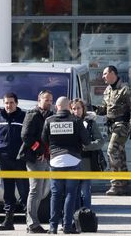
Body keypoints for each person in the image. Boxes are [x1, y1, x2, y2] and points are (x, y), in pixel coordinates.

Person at [42, 96, 91, 234]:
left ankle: (52, 228)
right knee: (71, 194)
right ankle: (68, 227)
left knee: (56, 195)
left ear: (57, 107)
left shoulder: (49, 121)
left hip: (55, 161)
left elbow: (44, 140)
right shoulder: (76, 121)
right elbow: (86, 141)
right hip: (73, 160)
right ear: (69, 106)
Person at [93, 65, 131, 196]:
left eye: (105, 73)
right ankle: (125, 185)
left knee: (112, 150)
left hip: (122, 125)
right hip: (112, 126)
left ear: (113, 73)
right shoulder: (108, 90)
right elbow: (105, 108)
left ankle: (116, 184)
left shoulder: (125, 89)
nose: (103, 77)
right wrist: (94, 108)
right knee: (120, 155)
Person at [0, 92, 28, 231]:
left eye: (11, 102)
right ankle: (8, 221)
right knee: (8, 192)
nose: (9, 105)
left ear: (16, 103)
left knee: (24, 192)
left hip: (20, 160)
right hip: (4, 160)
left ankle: (31, 222)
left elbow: (30, 137)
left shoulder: (24, 117)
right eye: (6, 103)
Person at [18, 90, 54, 234]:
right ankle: (32, 224)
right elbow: (25, 136)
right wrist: (39, 151)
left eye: (51, 100)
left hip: (47, 158)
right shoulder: (32, 114)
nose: (49, 102)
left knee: (42, 192)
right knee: (35, 191)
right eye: (46, 100)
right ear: (39, 100)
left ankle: (33, 222)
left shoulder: (51, 116)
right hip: (35, 158)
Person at [70, 98, 105, 209]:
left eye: (78, 108)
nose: (76, 111)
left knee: (85, 190)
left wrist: (87, 146)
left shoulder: (90, 123)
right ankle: (74, 215)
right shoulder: (67, 122)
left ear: (83, 109)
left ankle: (86, 214)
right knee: (73, 191)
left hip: (86, 161)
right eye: (74, 109)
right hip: (70, 161)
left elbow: (100, 141)